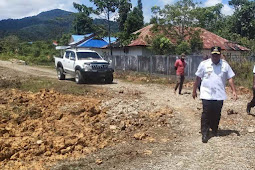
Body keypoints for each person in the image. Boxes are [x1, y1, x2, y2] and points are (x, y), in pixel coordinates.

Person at [192, 46, 237, 143]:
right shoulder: (204, 64)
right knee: (206, 113)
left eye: (217, 55)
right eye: (213, 55)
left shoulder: (225, 65)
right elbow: (198, 78)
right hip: (207, 93)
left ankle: (214, 128)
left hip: (219, 94)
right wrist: (194, 90)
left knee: (217, 113)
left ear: (220, 55)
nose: (215, 57)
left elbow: (230, 78)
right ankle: (204, 132)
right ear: (211, 55)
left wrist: (234, 91)